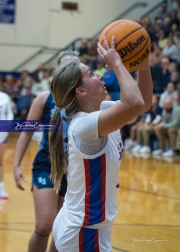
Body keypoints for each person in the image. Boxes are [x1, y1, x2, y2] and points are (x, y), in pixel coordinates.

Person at [49, 36, 152, 251]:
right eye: (90, 74)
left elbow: (143, 102)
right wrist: (117, 64)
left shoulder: (102, 111)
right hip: (84, 231)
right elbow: (134, 103)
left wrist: (143, 64)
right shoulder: (83, 125)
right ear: (81, 91)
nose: (99, 75)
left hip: (82, 226)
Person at [13, 51, 79, 252]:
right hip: (47, 164)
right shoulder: (44, 98)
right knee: (44, 226)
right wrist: (16, 165)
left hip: (75, 170)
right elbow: (25, 133)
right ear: (58, 72)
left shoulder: (85, 100)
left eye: (75, 66)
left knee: (62, 229)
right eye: (66, 66)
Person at [0, 91, 13, 198]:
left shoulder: (4, 97)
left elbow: (9, 113)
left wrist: (8, 125)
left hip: (2, 133)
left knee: (0, 162)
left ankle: (1, 188)